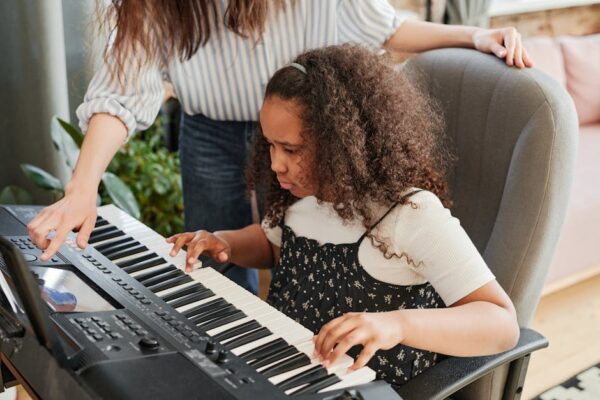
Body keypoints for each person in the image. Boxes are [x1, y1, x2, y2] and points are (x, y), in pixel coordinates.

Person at [27, 0, 533, 295]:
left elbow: (385, 27)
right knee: (215, 260)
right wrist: (82, 186)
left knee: (308, 258)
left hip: (310, 135)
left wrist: (474, 36)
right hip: (210, 129)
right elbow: (121, 90)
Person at [166, 44, 520, 386]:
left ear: (341, 141)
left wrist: (397, 325)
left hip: (365, 388)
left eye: (291, 149)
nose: (275, 164)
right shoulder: (302, 195)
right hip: (283, 371)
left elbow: (501, 324)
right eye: (270, 145)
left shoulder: (410, 213)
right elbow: (275, 246)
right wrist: (225, 242)